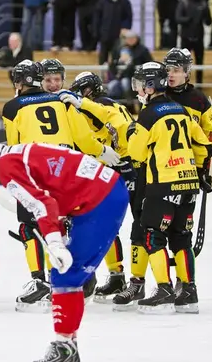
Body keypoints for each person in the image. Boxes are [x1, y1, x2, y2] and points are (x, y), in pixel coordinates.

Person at [0, 138, 129, 362]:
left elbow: (42, 204)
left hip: (100, 199)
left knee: (64, 276)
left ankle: (64, 348)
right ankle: (67, 345)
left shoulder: (5, 167)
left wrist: (54, 242)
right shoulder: (11, 155)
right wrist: (61, 233)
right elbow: (56, 185)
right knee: (66, 276)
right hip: (104, 192)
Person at [2, 59, 120, 312]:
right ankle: (78, 279)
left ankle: (40, 282)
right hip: (66, 169)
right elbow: (82, 138)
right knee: (66, 224)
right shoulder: (62, 101)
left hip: (36, 169)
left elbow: (14, 146)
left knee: (31, 227)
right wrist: (102, 150)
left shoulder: (12, 107)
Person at [126, 61, 212, 314]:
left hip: (162, 183)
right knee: (181, 239)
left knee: (153, 236)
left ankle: (163, 289)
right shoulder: (181, 110)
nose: (140, 89)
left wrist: (133, 133)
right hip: (188, 182)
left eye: (142, 84)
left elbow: (136, 153)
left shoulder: (149, 114)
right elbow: (202, 145)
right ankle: (188, 292)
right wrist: (198, 170)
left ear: (151, 86)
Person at [60, 71, 138, 303]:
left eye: (80, 91)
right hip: (122, 166)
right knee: (109, 226)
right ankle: (118, 276)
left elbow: (116, 125)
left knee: (101, 224)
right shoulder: (108, 103)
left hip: (118, 168)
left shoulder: (99, 105)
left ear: (88, 90)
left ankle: (125, 278)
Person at [164, 48, 212, 169]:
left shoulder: (199, 99)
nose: (170, 74)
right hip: (165, 165)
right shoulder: (158, 96)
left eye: (176, 70)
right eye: (167, 70)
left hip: (194, 165)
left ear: (186, 71)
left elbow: (211, 128)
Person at [175, 0, 212, 84]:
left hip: (199, 37)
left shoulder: (203, 3)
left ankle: (200, 83)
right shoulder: (184, 2)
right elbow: (177, 18)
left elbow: (208, 21)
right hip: (186, 37)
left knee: (200, 61)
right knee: (184, 63)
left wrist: (205, 15)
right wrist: (188, 19)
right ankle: (183, 83)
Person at [94, 0, 133, 66]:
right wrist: (97, 32)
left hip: (118, 36)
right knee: (103, 57)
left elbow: (128, 17)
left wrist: (125, 28)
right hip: (105, 34)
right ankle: (102, 77)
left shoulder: (124, 2)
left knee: (117, 57)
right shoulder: (103, 1)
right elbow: (97, 17)